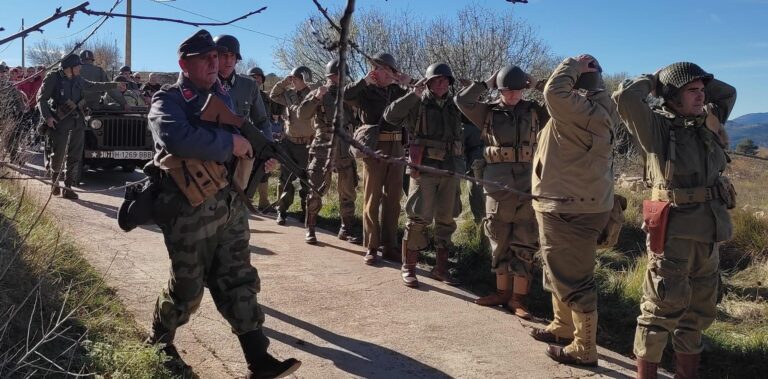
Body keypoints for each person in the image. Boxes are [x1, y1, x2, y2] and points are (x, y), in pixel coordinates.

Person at [145, 29, 300, 378]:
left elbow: (241, 137)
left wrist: (258, 154)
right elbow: (176, 137)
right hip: (187, 209)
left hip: (228, 203)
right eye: (206, 57)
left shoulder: (223, 96)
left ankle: (259, 359)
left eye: (217, 56)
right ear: (184, 63)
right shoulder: (168, 99)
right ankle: (158, 343)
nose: (216, 62)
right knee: (187, 287)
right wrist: (229, 144)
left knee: (239, 278)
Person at [613, 62, 736, 379]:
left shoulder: (707, 122)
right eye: (692, 91)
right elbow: (626, 98)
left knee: (698, 312)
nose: (701, 95)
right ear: (672, 96)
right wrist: (655, 81)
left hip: (709, 233)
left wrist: (693, 76)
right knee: (659, 311)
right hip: (674, 235)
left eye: (701, 90)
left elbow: (728, 93)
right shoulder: (656, 129)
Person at [529, 55, 620, 366]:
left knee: (573, 278)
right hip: (578, 203)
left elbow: (554, 91)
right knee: (559, 269)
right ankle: (563, 326)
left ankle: (584, 347)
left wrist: (572, 63)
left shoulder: (576, 111)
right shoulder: (603, 109)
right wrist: (589, 76)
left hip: (568, 205)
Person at [455, 64, 548, 318]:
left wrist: (538, 83)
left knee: (525, 238)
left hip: (529, 182)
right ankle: (501, 293)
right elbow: (461, 99)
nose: (513, 95)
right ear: (501, 89)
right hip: (497, 183)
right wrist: (487, 83)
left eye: (518, 90)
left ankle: (518, 299)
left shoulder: (535, 110)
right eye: (508, 90)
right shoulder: (487, 111)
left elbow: (560, 104)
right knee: (497, 236)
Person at [383, 62, 462, 287]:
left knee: (446, 220)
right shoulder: (417, 102)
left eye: (445, 80)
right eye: (436, 80)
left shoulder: (454, 105)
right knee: (419, 218)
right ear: (427, 82)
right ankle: (409, 267)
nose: (441, 84)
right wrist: (413, 93)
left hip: (450, 169)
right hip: (423, 169)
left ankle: (441, 268)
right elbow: (390, 116)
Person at [344, 52, 410, 265]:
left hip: (397, 147)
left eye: (387, 69)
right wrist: (364, 81)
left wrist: (409, 85)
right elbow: (345, 95)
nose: (383, 73)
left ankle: (390, 245)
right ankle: (372, 245)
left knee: (393, 198)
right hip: (374, 147)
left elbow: (416, 104)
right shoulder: (364, 91)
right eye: (378, 68)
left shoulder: (400, 92)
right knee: (372, 196)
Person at [37, 53, 120, 199]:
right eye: (78, 66)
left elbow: (93, 86)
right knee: (58, 153)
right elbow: (41, 99)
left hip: (78, 120)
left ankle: (68, 187)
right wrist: (48, 117)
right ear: (69, 67)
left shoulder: (78, 78)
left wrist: (114, 84)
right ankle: (55, 183)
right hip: (60, 121)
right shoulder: (53, 77)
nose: (81, 68)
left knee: (75, 155)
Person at [298, 58, 360, 245]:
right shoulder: (319, 92)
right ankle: (310, 227)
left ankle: (346, 229)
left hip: (345, 147)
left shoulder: (349, 95)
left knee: (348, 190)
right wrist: (317, 97)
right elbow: (302, 114)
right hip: (323, 145)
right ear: (331, 75)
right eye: (337, 75)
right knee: (316, 188)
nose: (340, 79)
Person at [213, 34, 275, 209]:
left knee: (237, 209)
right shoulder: (204, 83)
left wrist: (268, 150)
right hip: (210, 155)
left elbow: (262, 121)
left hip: (240, 159)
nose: (228, 60)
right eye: (224, 55)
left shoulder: (248, 86)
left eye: (232, 56)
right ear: (214, 56)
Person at [269, 65, 315, 224]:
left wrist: (310, 84)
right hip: (289, 143)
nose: (293, 81)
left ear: (304, 79)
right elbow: (273, 95)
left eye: (295, 78)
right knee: (285, 180)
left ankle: (307, 212)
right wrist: (283, 82)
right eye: (292, 78)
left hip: (307, 144)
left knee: (307, 181)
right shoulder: (288, 94)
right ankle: (281, 211)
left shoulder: (313, 94)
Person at [247, 66, 280, 211]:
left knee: (265, 168)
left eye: (259, 77)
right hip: (248, 136)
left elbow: (269, 118)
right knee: (248, 169)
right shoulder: (244, 94)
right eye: (253, 77)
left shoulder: (266, 97)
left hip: (264, 137)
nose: (257, 79)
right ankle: (245, 200)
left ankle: (264, 202)